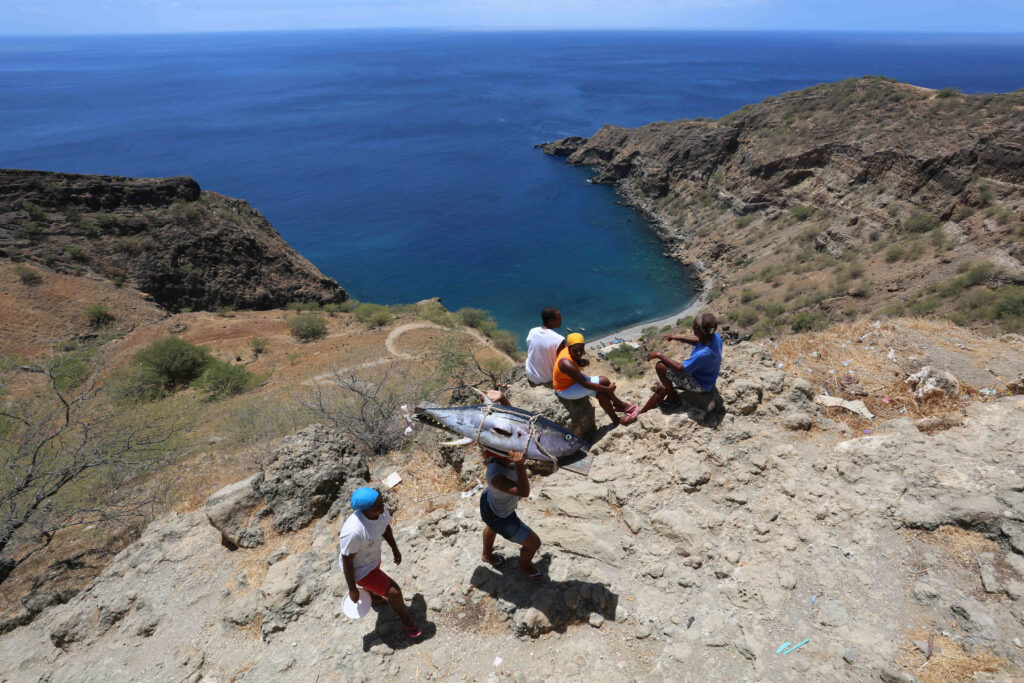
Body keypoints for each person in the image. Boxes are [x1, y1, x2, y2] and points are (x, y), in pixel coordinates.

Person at [339, 487, 421, 639]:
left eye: (382, 502)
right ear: (365, 511)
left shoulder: (380, 512)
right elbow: (347, 562)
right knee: (394, 593)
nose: (383, 508)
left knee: (379, 584)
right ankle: (405, 618)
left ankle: (375, 596)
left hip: (372, 557)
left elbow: (385, 528)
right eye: (377, 506)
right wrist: (353, 590)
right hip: (360, 569)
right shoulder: (353, 532)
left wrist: (395, 548)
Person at [638, 312, 723, 415]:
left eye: (694, 327)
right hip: (708, 379)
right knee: (663, 385)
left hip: (700, 385)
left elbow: (680, 368)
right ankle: (642, 413)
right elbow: (699, 341)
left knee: (661, 366)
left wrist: (659, 355)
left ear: (700, 331)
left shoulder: (704, 354)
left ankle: (673, 399)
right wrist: (677, 338)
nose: (692, 327)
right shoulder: (714, 336)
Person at [480, 448, 544, 578]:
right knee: (534, 543)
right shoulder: (496, 476)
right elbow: (524, 492)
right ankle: (524, 567)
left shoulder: (499, 460)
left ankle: (487, 555)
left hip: (489, 503)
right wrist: (520, 465)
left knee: (491, 527)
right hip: (501, 516)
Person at [553, 333, 638, 425]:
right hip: (565, 389)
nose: (579, 353)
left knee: (602, 386)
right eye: (575, 351)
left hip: (572, 380)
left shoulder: (569, 351)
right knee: (603, 386)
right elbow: (584, 383)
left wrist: (580, 361)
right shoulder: (566, 363)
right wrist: (608, 389)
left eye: (581, 350)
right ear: (568, 347)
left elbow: (575, 361)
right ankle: (618, 409)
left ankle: (617, 411)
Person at [525, 307, 565, 386]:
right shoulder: (559, 340)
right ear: (551, 321)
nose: (561, 319)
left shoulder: (532, 331)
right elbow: (563, 363)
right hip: (546, 378)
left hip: (531, 374)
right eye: (559, 317)